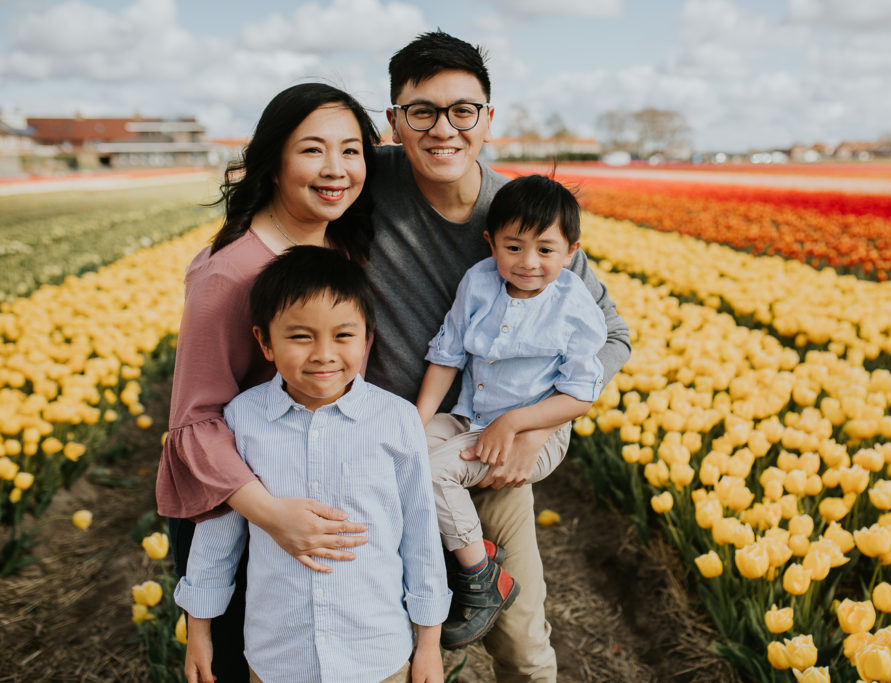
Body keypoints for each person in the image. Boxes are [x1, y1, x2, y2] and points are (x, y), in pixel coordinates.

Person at [363, 31, 631, 681]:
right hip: (396, 449)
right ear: (394, 120)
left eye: (463, 110)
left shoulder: (524, 217)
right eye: (421, 111)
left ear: (487, 118)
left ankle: (483, 583)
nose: (443, 129)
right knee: (389, 646)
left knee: (521, 647)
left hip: (499, 443)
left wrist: (532, 423)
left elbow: (614, 337)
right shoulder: (364, 185)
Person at [155, 83, 382, 680]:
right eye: (312, 150)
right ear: (274, 161)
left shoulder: (339, 247)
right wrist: (273, 515)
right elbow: (195, 421)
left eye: (351, 150)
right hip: (242, 514)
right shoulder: (230, 273)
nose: (336, 169)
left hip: (313, 508)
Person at [175, 246, 450, 683]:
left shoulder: (396, 419)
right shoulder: (243, 419)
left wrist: (429, 644)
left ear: (366, 339)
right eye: (301, 337)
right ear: (265, 342)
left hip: (377, 654)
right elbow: (218, 536)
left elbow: (421, 535)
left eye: (343, 336)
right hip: (278, 657)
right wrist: (199, 630)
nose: (323, 354)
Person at [415, 175, 607, 649]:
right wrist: (414, 424)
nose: (528, 262)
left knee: (432, 473)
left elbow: (581, 397)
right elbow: (448, 355)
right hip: (469, 418)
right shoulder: (479, 282)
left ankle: (482, 578)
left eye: (546, 250)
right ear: (491, 242)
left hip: (533, 436)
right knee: (404, 453)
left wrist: (516, 422)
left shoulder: (575, 307)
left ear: (571, 252)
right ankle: (460, 554)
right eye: (514, 247)